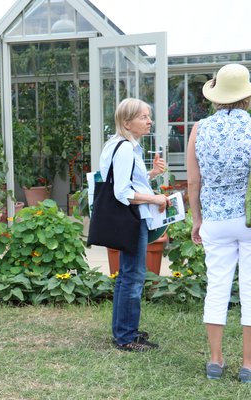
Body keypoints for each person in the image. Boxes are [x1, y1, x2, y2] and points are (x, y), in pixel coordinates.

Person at [187, 63, 251, 381]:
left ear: (217, 96)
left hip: (215, 219)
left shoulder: (200, 129)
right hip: (249, 220)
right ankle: (248, 366)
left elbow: (193, 183)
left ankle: (215, 361)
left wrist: (196, 219)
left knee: (217, 287)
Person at [99, 98, 168, 352]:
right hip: (131, 217)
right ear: (127, 122)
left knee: (127, 276)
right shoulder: (127, 148)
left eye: (148, 116)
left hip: (125, 218)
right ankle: (126, 336)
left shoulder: (118, 145)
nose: (149, 121)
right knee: (133, 277)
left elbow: (126, 180)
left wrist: (150, 175)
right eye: (143, 117)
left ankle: (124, 331)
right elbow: (122, 191)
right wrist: (156, 198)